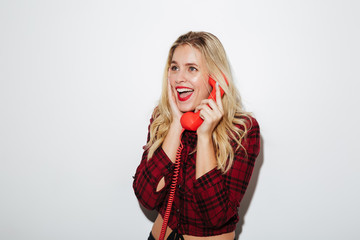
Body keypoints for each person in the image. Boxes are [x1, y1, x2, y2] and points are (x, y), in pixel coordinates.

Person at [133, 31, 260, 240]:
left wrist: (204, 136)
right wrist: (175, 125)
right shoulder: (162, 120)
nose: (179, 78)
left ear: (216, 79)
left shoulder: (243, 130)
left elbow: (216, 217)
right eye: (174, 68)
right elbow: (147, 197)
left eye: (191, 68)